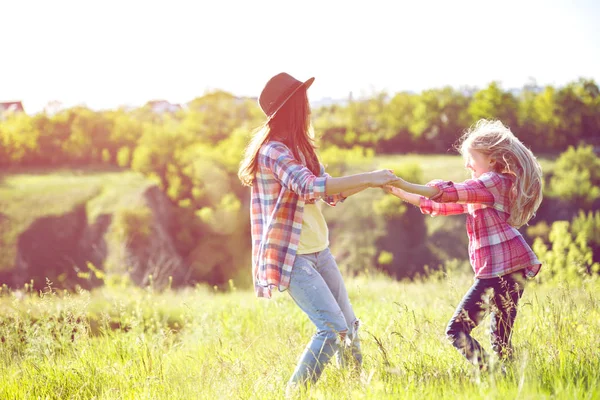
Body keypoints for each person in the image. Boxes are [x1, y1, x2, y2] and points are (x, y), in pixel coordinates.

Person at [238, 72, 400, 391]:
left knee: (349, 327)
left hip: (319, 252)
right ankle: (294, 394)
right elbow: (309, 186)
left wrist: (373, 182)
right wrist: (369, 176)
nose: (309, 105)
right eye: (303, 100)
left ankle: (353, 391)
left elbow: (330, 193)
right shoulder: (273, 151)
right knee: (332, 329)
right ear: (291, 107)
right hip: (292, 257)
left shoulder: (302, 149)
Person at [384, 119, 543, 370]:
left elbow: (448, 192)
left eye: (471, 158)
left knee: (456, 330)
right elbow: (442, 204)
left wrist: (404, 184)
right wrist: (400, 192)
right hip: (513, 267)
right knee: (500, 340)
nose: (467, 164)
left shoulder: (493, 181)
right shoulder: (486, 189)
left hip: (499, 268)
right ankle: (508, 381)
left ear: (491, 160)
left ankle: (492, 375)